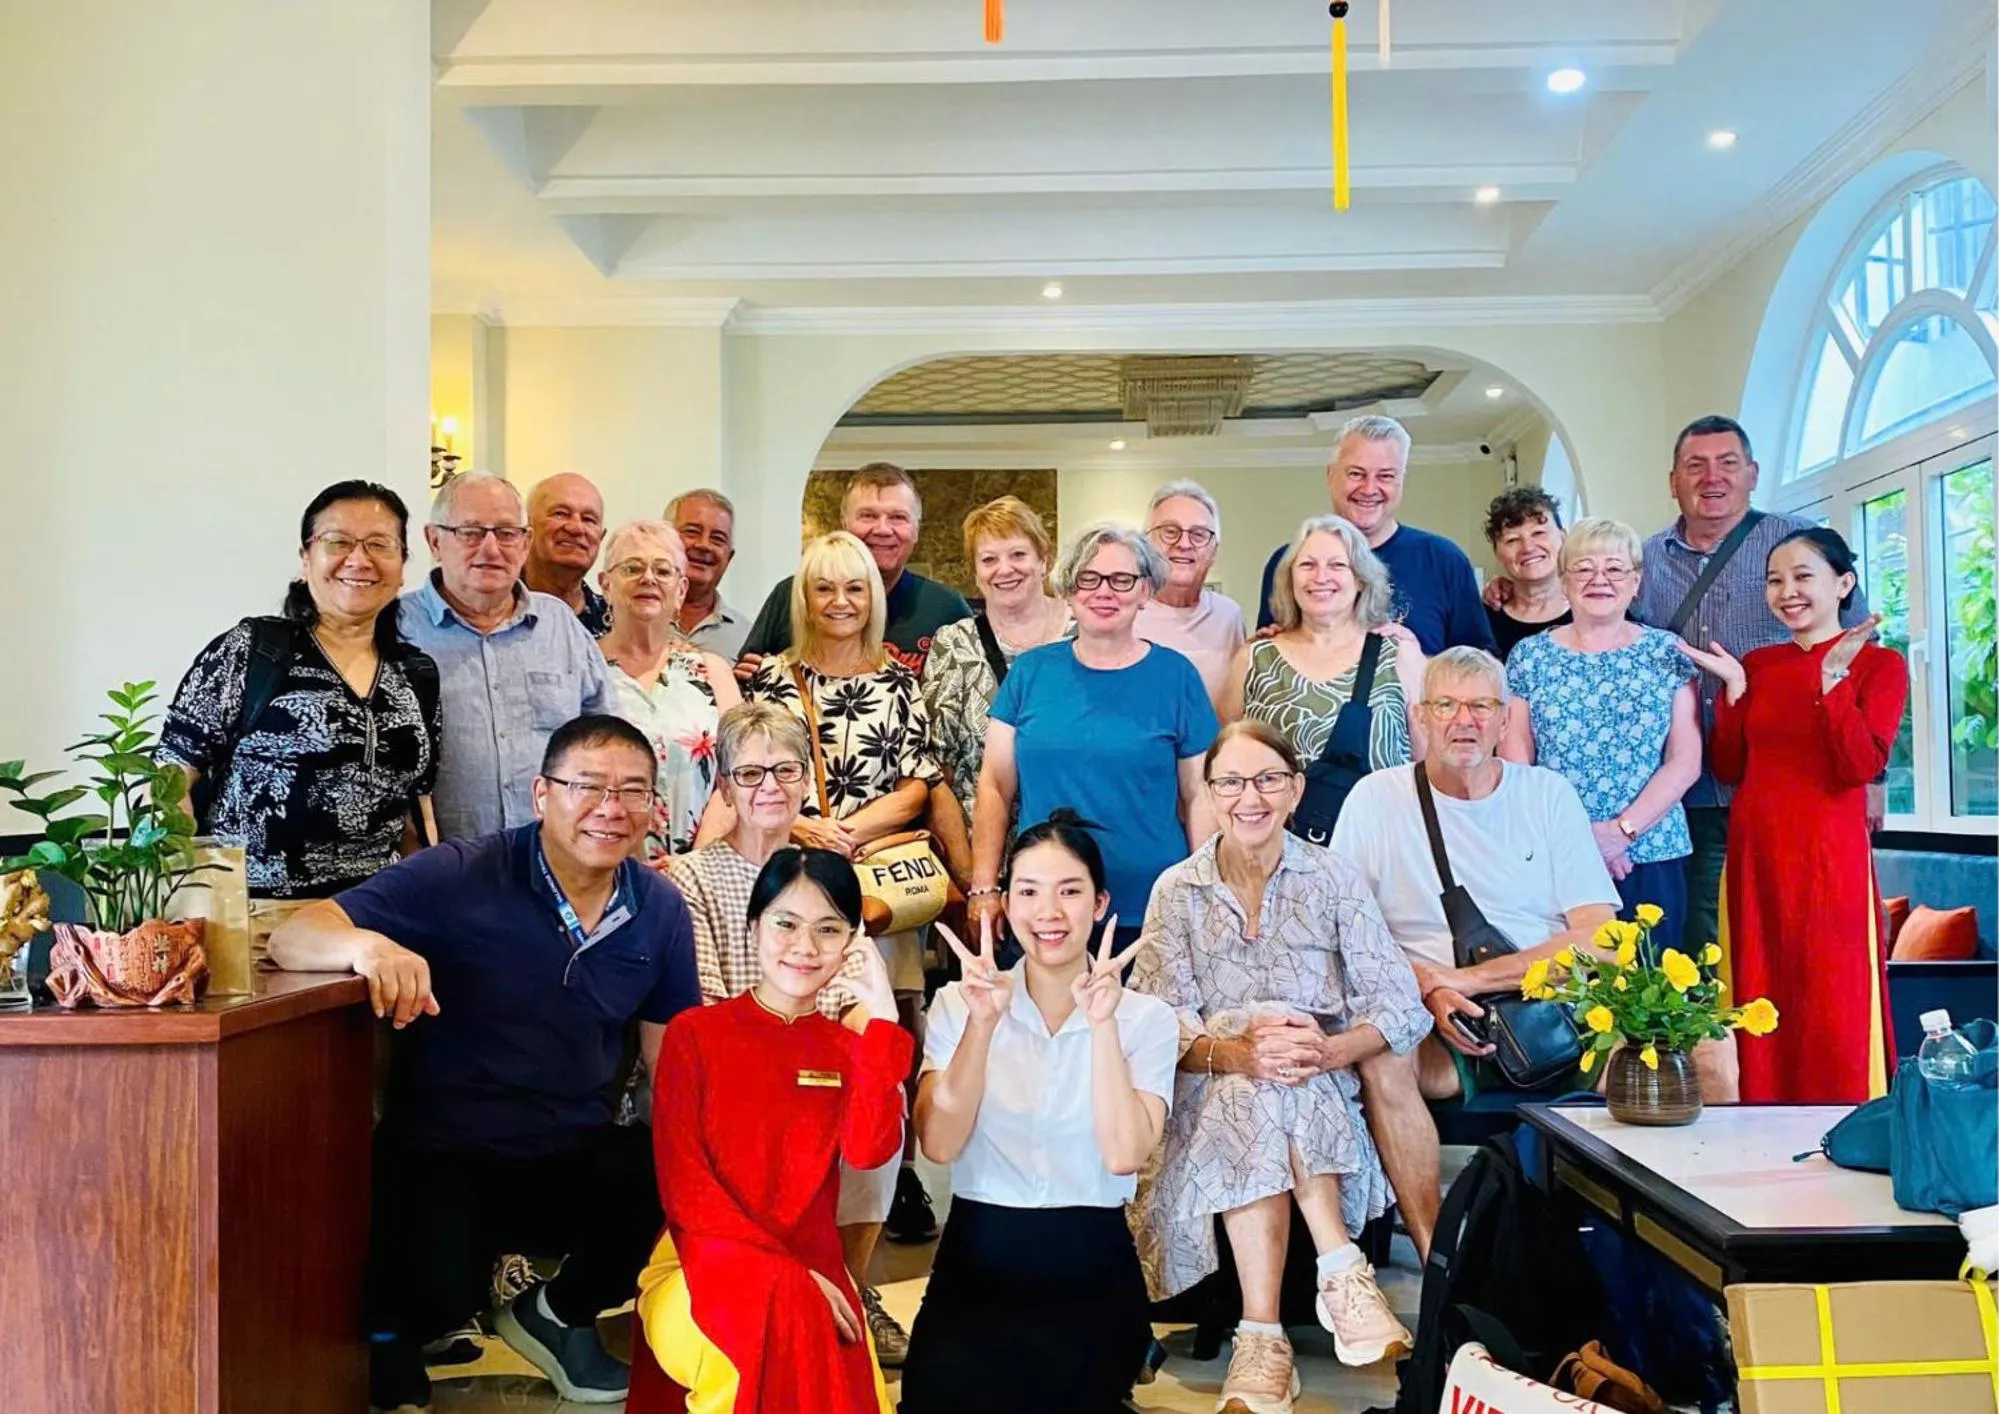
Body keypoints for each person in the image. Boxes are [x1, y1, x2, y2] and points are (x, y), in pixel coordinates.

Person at [267, 714, 701, 1410]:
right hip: (447, 1150)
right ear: (541, 794)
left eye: (632, 791)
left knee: (668, 1170)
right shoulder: (461, 873)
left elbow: (672, 1060)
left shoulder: (657, 906)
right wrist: (373, 950)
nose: (610, 809)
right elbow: (295, 935)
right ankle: (393, 1336)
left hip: (568, 1147)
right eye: (587, 787)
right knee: (439, 1293)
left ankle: (556, 1317)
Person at [1132, 723, 1429, 1410]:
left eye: (1267, 779)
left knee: (1278, 1069)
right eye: (1230, 782)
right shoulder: (1177, 890)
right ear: (1207, 795)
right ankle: (1341, 1271)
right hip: (1209, 1093)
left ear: (1295, 790)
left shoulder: (1331, 878)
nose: (1249, 798)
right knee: (1256, 1074)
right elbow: (1158, 1019)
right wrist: (1239, 1051)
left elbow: (1397, 1004)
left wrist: (1327, 1049)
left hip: (1313, 1085)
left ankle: (1261, 1341)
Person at [742, 528, 945, 1366]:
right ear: (804, 597)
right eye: (823, 589)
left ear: (873, 596)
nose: (838, 603)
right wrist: (804, 827)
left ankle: (871, 1201)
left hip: (874, 889)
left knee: (873, 1043)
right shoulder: (772, 680)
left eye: (853, 589)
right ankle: (781, 1219)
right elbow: (754, 775)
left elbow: (919, 780)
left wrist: (847, 830)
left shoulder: (900, 681)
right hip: (791, 886)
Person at [1330, 649, 1617, 1238]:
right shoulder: (1375, 798)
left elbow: (1602, 939)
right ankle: (1442, 1263)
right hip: (1434, 1024)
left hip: (1553, 1012)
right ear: (1420, 717)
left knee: (1704, 1054)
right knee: (1382, 1055)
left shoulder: (1547, 794)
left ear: (1505, 720)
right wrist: (1424, 986)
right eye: (1447, 705)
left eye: (1482, 706)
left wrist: (1463, 979)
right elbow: (1341, 933)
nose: (1465, 721)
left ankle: (1662, 1269)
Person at [903, 812, 1177, 1414]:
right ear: (1005, 903)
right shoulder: (961, 1002)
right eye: (1028, 891)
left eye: (1070, 891)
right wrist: (982, 1025)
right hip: (979, 1255)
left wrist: (1102, 1025)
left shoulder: (1146, 1019)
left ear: (1101, 903)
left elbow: (1125, 1153)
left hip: (1090, 1261)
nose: (1048, 912)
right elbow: (940, 1145)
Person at [637, 848, 911, 1414]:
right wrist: (783, 1275)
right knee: (738, 1360)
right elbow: (685, 1188)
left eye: (828, 929)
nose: (805, 947)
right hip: (700, 1261)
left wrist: (882, 1021)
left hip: (817, 1271)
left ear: (852, 944)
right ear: (755, 925)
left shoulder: (848, 1049)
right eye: (786, 923)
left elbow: (869, 1151)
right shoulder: (696, 1034)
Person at [1630, 416, 1873, 951]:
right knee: (1694, 943)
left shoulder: (1799, 546)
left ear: (1753, 474)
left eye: (1727, 464)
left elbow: (1858, 655)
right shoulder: (1641, 562)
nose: (1711, 478)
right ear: (1673, 481)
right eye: (1695, 466)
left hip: (1784, 785)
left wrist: (1873, 783)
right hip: (1680, 788)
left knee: (1786, 939)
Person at [1682, 528, 1905, 1104]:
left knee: (1833, 995)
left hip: (1831, 854)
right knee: (1757, 991)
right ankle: (1759, 1121)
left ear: (1843, 583)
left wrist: (1833, 682)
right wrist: (1733, 689)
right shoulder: (1760, 663)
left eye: (1803, 576)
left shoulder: (1880, 666)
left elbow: (1859, 765)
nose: (1787, 592)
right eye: (1775, 580)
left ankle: (1844, 1118)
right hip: (1755, 852)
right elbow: (1730, 767)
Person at [160, 480, 441, 899]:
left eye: (380, 544)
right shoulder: (252, 651)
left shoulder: (415, 673)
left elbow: (416, 814)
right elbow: (168, 782)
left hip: (374, 917)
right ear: (306, 559)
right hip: (254, 919)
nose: (359, 559)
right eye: (338, 541)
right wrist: (190, 905)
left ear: (402, 565)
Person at [969, 524, 1219, 948]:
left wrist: (1208, 891)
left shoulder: (1177, 677)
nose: (1105, 592)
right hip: (1045, 910)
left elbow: (1200, 795)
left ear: (1145, 591)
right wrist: (984, 887)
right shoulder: (1030, 673)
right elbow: (994, 786)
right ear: (1068, 590)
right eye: (1089, 578)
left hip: (1152, 907)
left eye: (1123, 580)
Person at [1500, 519, 1700, 957]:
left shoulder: (1668, 653)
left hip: (1651, 852)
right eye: (1584, 568)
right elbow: (1516, 764)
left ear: (1636, 582)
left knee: (1654, 1000)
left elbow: (1685, 761)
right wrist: (1577, 842)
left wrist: (1620, 833)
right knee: (1565, 1000)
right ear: (1564, 580)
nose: (1599, 580)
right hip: (1555, 855)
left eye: (1614, 568)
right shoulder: (1529, 657)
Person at [400, 472, 611, 841]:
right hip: (441, 872)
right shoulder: (397, 629)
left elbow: (605, 741)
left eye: (506, 533)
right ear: (434, 541)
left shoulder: (559, 623)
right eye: (471, 532)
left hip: (554, 861)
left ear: (526, 542)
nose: (491, 549)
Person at [1222, 515, 1426, 831]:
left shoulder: (1399, 654)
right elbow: (1225, 763)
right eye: (1307, 565)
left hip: (1381, 847)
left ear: (1360, 578)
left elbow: (1430, 761)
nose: (1321, 577)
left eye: (1337, 565)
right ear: (1289, 579)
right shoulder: (1254, 659)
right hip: (1277, 849)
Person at [1255, 416, 1496, 655]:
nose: (1370, 489)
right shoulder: (1289, 562)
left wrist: (1414, 659)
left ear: (1401, 480)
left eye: (1386, 476)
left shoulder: (1444, 560)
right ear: (1330, 476)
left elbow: (1480, 669)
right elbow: (1268, 664)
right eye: (1356, 474)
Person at [921, 495, 1073, 827]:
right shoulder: (954, 645)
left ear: (1043, 560)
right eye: (989, 559)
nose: (1004, 569)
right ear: (975, 573)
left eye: (1018, 554)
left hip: (1078, 840)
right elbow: (938, 765)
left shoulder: (1083, 632)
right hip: (983, 844)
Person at [737, 463, 971, 678]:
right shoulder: (793, 594)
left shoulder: (947, 609)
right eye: (868, 516)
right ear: (844, 523)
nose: (882, 529)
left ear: (916, 529)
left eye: (897, 517)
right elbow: (746, 677)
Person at [597, 520, 742, 864]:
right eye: (632, 568)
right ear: (605, 585)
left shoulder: (714, 672)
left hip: (701, 872)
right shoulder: (581, 671)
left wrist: (693, 864)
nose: (648, 578)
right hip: (603, 873)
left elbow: (740, 776)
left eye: (663, 571)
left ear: (680, 589)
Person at [669, 702, 831, 1008]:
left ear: (806, 781)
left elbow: (852, 998)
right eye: (750, 773)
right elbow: (707, 1009)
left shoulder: (826, 877)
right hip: (728, 1051)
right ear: (726, 789)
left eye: (785, 770)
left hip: (820, 1052)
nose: (770, 786)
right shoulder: (693, 877)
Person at [1135, 480, 1246, 708]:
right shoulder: (1124, 610)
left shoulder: (1229, 616)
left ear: (1214, 550)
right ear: (1145, 544)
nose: (1184, 543)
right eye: (1169, 532)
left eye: (1199, 534)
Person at [1481, 487, 1571, 660]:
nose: (1528, 548)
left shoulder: (1593, 610)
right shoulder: (1482, 621)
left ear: (1564, 537)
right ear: (1497, 552)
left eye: (1539, 533)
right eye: (1512, 540)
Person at [524, 473, 612, 636]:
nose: (576, 528)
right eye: (560, 513)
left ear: (601, 537)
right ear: (527, 527)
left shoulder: (615, 624)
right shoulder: (492, 612)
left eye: (588, 519)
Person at [667, 488, 750, 661]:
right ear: (664, 540)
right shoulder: (632, 619)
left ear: (729, 558)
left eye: (718, 539)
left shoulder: (747, 638)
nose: (704, 545)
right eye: (692, 532)